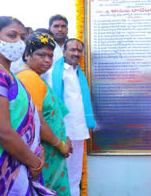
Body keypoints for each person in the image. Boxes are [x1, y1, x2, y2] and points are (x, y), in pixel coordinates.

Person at [0, 16, 55, 195]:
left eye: (22, 37)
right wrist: (34, 162)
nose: (19, 42)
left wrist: (37, 150)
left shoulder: (8, 72)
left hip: (20, 160)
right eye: (12, 36)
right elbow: (0, 131)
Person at [16, 32, 73, 195]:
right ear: (27, 54)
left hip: (51, 146)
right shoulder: (29, 77)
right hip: (47, 151)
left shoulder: (34, 76)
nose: (47, 60)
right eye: (41, 55)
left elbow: (52, 115)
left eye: (50, 55)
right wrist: (60, 144)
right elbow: (37, 121)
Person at [45, 38, 97, 196]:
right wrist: (59, 133)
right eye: (72, 50)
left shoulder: (79, 74)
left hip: (79, 130)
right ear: (64, 52)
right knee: (59, 172)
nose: (76, 53)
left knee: (74, 173)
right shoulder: (53, 74)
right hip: (61, 132)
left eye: (79, 50)